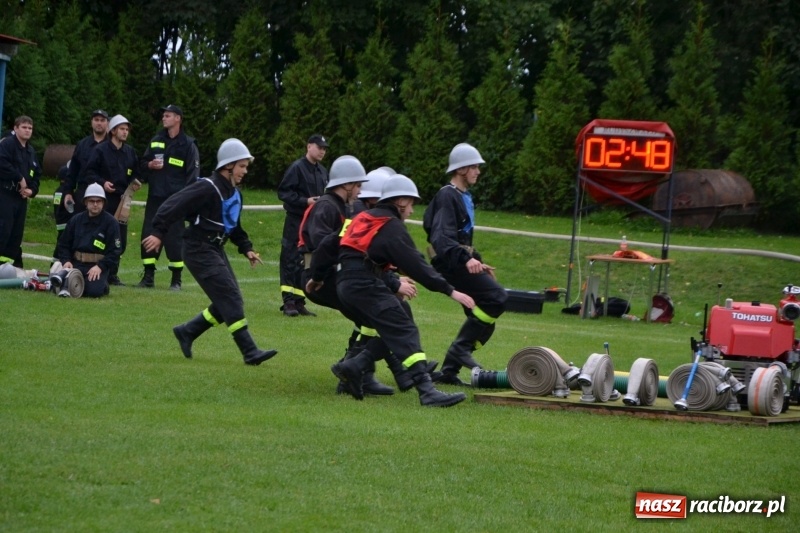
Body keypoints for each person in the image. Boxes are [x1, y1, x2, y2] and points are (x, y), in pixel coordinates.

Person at [329, 174, 475, 407]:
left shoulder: (364, 217)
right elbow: (416, 264)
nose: (412, 211)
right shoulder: (391, 225)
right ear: (401, 201)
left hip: (346, 284)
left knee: (400, 317)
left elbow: (333, 244)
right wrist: (451, 291)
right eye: (412, 204)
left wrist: (316, 277)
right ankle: (427, 390)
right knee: (405, 330)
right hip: (364, 285)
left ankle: (354, 367)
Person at [142, 138, 277, 366]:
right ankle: (250, 351)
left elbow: (233, 226)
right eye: (242, 166)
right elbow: (172, 205)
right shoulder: (206, 187)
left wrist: (247, 249)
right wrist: (158, 232)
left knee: (229, 299)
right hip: (197, 248)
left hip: (214, 248)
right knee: (230, 298)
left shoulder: (235, 193)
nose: (245, 171)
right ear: (228, 166)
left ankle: (187, 331)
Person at [300, 155, 395, 396]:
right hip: (317, 278)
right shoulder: (326, 206)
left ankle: (355, 372)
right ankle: (354, 371)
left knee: (369, 317)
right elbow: (324, 246)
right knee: (372, 314)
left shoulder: (342, 207)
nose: (361, 190)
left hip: (330, 275)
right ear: (347, 184)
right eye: (358, 185)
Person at [423, 143, 508, 386]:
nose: (478, 172)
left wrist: (478, 260)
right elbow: (441, 238)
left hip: (459, 261)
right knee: (497, 298)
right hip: (450, 264)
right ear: (461, 169)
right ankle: (460, 350)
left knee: (484, 315)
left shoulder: (462, 196)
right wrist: (465, 259)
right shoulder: (447, 195)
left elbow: (461, 239)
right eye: (474, 167)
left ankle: (450, 371)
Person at [137, 104, 200, 290]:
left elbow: (193, 175)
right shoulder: (156, 140)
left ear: (178, 118)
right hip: (155, 198)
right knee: (148, 233)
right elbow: (142, 162)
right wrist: (149, 166)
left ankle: (176, 280)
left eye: (168, 115)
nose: (164, 118)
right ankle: (148, 277)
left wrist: (186, 200)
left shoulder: (188, 144)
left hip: (176, 201)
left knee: (175, 238)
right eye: (163, 115)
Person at [84, 114, 141, 286]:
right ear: (113, 131)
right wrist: (103, 183)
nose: (125, 133)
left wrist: (136, 183)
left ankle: (113, 273)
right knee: (102, 236)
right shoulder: (100, 150)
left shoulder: (130, 152)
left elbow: (137, 172)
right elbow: (89, 172)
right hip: (104, 199)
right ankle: (99, 270)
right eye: (122, 129)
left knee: (120, 239)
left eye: (127, 130)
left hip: (123, 201)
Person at [277, 133, 329, 316]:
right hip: (296, 220)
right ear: (309, 146)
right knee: (290, 258)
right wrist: (305, 201)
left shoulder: (322, 172)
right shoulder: (297, 168)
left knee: (304, 261)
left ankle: (299, 301)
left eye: (324, 148)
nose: (322, 151)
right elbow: (284, 193)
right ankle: (288, 301)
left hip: (312, 224)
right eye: (319, 147)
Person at [53, 183, 121, 298]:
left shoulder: (111, 223)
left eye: (98, 201)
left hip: (96, 266)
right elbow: (63, 244)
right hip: (76, 264)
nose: (95, 204)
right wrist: (66, 261)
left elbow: (115, 251)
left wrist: (101, 267)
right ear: (85, 202)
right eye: (92, 201)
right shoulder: (76, 220)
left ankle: (103, 285)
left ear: (103, 203)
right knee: (57, 287)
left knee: (93, 292)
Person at [0, 115, 41, 268]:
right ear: (15, 128)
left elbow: (37, 174)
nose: (27, 130)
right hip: (5, 195)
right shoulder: (7, 145)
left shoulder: (30, 151)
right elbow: (2, 163)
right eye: (24, 127)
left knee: (16, 234)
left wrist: (32, 190)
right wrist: (19, 178)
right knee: (4, 230)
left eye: (30, 128)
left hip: (21, 198)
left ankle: (6, 267)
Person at [62, 109, 109, 214]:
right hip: (83, 192)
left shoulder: (112, 146)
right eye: (96, 120)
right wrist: (68, 192)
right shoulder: (82, 145)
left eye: (102, 120)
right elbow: (73, 170)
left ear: (107, 123)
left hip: (106, 194)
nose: (99, 123)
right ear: (91, 122)